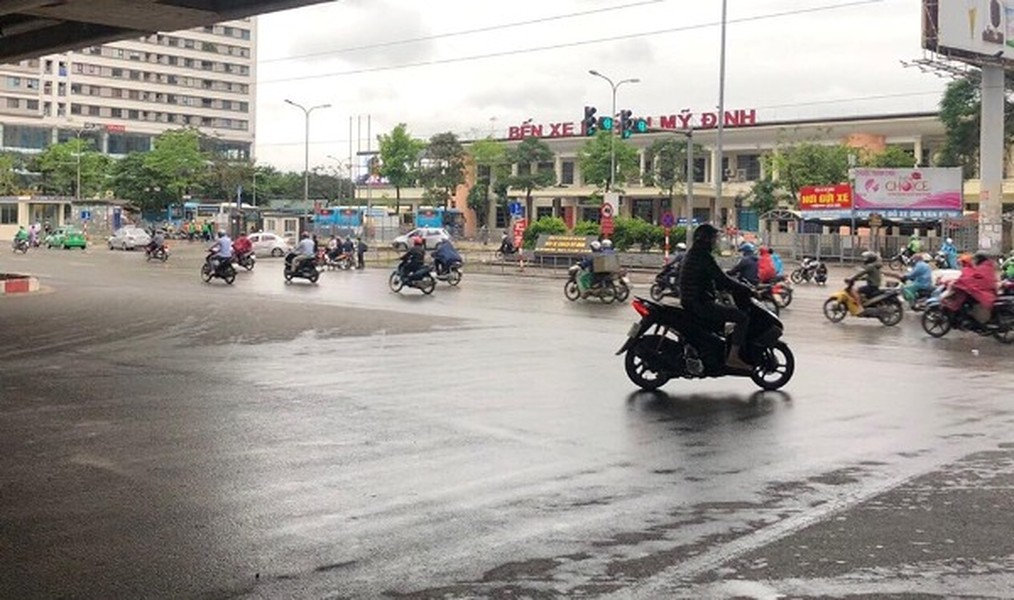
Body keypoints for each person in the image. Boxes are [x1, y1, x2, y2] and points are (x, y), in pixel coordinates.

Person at [678, 223, 756, 372]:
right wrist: (746, 289)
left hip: (692, 301)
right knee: (742, 318)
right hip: (700, 303)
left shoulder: (694, 254)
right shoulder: (703, 256)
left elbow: (714, 279)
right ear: (706, 239)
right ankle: (733, 357)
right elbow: (722, 278)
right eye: (714, 238)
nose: (715, 241)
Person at [944, 250, 999, 324]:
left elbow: (973, 279)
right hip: (988, 290)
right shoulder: (988, 266)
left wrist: (961, 282)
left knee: (966, 298)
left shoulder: (982, 267)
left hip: (983, 291)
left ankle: (971, 318)